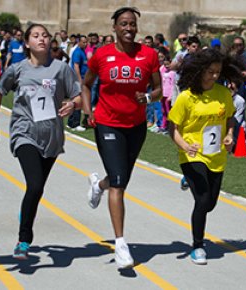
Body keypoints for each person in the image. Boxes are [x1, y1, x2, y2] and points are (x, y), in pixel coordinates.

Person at [0, 23, 82, 260]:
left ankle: (26, 212)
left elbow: (78, 96)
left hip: (51, 138)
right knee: (35, 185)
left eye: (45, 35)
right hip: (24, 133)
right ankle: (23, 240)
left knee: (36, 190)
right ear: (27, 43)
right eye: (36, 36)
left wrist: (73, 104)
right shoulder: (18, 69)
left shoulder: (61, 69)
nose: (41, 39)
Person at [82, 6, 161, 269]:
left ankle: (98, 186)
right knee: (120, 183)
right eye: (124, 24)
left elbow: (159, 89)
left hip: (136, 125)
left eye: (132, 24)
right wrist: (87, 110)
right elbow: (86, 84)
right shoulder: (101, 55)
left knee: (120, 179)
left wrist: (148, 97)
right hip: (107, 124)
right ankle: (121, 244)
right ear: (114, 27)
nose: (129, 28)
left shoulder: (149, 55)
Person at [168, 48, 242, 265]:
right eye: (210, 71)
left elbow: (230, 118)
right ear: (200, 71)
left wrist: (229, 135)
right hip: (192, 155)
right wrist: (184, 146)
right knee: (201, 200)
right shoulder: (186, 97)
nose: (214, 76)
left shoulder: (223, 94)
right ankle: (198, 246)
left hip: (216, 156)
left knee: (210, 204)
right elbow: (173, 127)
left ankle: (188, 182)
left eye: (218, 72)